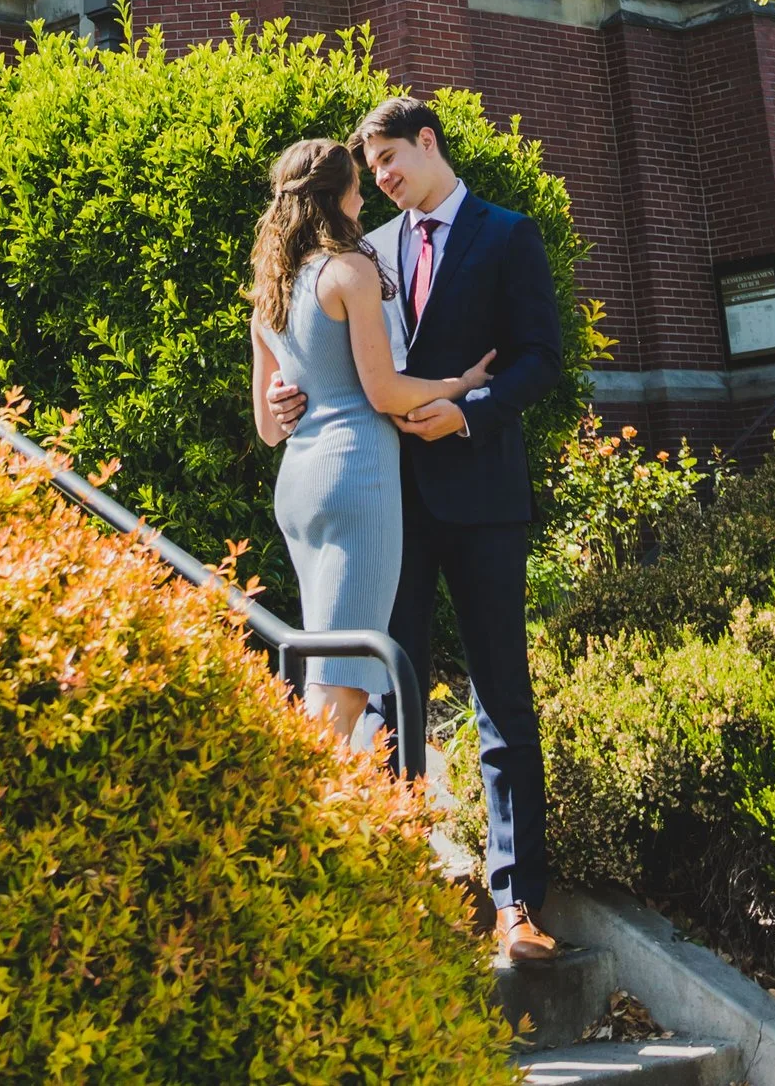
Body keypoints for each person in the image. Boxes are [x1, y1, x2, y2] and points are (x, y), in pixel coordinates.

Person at [268, 93, 563, 964]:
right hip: (385, 500)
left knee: (502, 696)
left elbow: (542, 357)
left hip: (481, 498)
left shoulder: (509, 234)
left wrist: (472, 413)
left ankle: (517, 906)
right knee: (391, 696)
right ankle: (398, 883)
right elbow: (337, 365)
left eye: (391, 159)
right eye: (372, 169)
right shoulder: (367, 252)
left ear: (427, 144)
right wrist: (290, 395)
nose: (383, 179)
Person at [247, 134, 496, 756]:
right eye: (360, 179)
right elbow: (383, 392)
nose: (369, 188)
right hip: (356, 476)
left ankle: (303, 815)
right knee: (347, 680)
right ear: (341, 196)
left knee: (323, 665)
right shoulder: (350, 270)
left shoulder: (271, 290)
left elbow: (268, 428)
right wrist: (459, 384)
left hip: (300, 483)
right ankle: (304, 828)